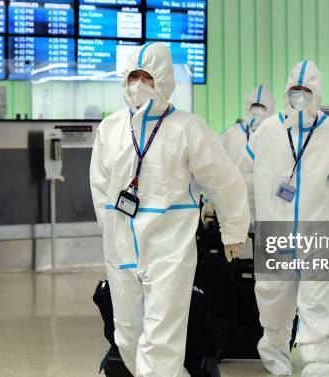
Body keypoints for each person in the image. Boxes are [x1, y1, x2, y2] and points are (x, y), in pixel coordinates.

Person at [89, 42, 250, 377]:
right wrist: (109, 229)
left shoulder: (188, 128)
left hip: (168, 251)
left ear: (162, 79)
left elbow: (224, 180)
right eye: (132, 76)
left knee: (161, 340)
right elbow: (99, 183)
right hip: (121, 250)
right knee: (128, 337)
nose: (137, 84)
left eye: (146, 76)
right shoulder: (111, 128)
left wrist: (234, 231)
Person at [239, 60, 329, 376]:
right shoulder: (267, 132)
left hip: (317, 233)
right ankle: (274, 353)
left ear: (317, 94)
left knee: (318, 297)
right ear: (286, 92)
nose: (300, 97)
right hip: (274, 232)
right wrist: (248, 222)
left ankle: (317, 361)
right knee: (273, 298)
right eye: (294, 91)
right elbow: (244, 178)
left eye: (306, 91)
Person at [199, 85, 275, 258]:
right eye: (254, 107)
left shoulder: (277, 137)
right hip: (235, 212)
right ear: (247, 107)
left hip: (267, 213)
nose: (257, 112)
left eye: (262, 108)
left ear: (270, 110)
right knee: (238, 265)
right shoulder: (229, 137)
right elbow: (214, 173)